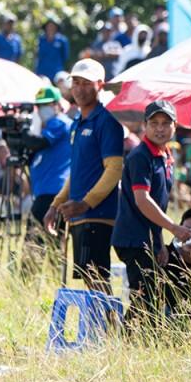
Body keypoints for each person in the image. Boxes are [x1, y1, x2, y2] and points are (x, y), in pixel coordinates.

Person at [43, 59, 124, 291]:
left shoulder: (107, 122)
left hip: (97, 214)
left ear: (101, 84)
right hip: (80, 213)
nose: (79, 88)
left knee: (97, 280)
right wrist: (55, 204)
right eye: (75, 82)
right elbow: (76, 172)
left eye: (86, 83)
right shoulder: (77, 123)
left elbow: (114, 169)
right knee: (91, 281)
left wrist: (86, 203)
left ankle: (109, 328)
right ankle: (101, 327)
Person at [110, 99, 191, 323]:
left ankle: (133, 342)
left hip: (147, 238)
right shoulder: (140, 156)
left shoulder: (166, 157)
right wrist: (174, 227)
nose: (160, 128)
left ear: (175, 126)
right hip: (132, 238)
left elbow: (158, 203)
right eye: (154, 123)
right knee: (147, 299)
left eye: (166, 123)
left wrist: (159, 242)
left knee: (150, 296)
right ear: (145, 125)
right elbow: (143, 200)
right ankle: (128, 343)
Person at [27, 86, 73, 249]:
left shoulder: (60, 122)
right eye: (39, 106)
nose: (41, 109)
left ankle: (31, 274)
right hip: (46, 191)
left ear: (56, 104)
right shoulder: (45, 128)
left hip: (53, 192)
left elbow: (40, 143)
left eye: (46, 104)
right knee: (49, 245)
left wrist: (22, 137)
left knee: (34, 244)